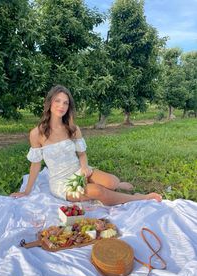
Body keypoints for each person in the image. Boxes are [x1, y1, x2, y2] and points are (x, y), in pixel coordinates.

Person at [11, 85, 162, 205]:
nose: (61, 106)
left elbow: (82, 154)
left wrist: (84, 168)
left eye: (65, 102)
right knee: (98, 191)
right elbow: (35, 165)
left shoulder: (73, 129)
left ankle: (118, 185)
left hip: (79, 170)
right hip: (61, 183)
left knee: (112, 181)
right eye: (57, 101)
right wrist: (26, 191)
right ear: (49, 103)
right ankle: (140, 198)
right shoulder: (37, 133)